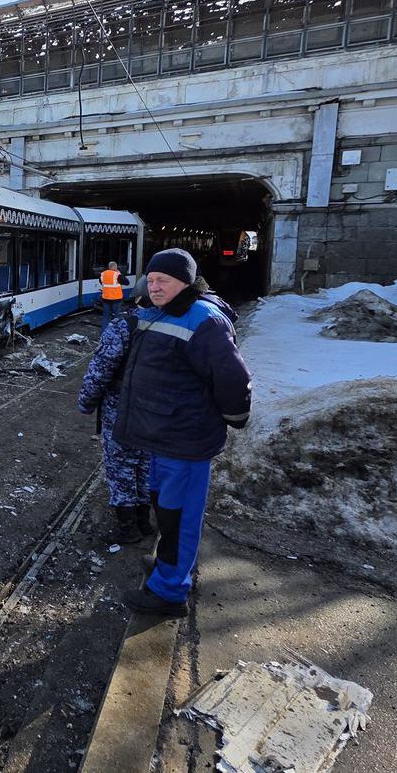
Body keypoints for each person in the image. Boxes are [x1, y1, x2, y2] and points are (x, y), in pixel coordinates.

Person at [113, 248, 252, 617]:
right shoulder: (161, 311)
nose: (154, 287)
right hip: (164, 436)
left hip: (186, 441)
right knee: (166, 510)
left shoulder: (203, 319)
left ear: (186, 283)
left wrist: (235, 416)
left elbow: (233, 378)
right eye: (151, 280)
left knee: (180, 517)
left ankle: (170, 592)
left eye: (164, 281)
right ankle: (168, 567)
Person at [77, 296, 154, 545]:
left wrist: (86, 403)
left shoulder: (124, 326)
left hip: (122, 411)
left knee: (121, 467)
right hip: (156, 413)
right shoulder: (175, 326)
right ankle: (144, 521)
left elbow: (99, 372)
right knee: (146, 464)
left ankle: (127, 528)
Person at [100, 261, 125, 325]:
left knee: (106, 316)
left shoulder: (103, 274)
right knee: (116, 316)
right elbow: (127, 282)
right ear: (115, 267)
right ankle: (115, 330)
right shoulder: (117, 275)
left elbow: (101, 282)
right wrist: (120, 274)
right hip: (116, 299)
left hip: (105, 298)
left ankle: (105, 330)